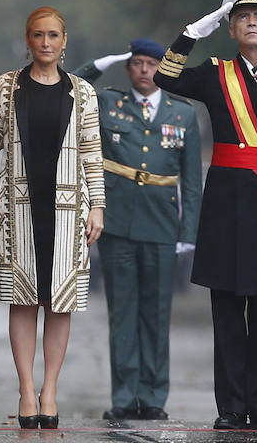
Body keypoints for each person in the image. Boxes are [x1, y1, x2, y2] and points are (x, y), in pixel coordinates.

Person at [153, 0, 257, 431]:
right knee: (226, 311)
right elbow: (164, 78)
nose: (251, 22)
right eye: (241, 16)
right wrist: (190, 34)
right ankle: (229, 407)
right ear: (229, 27)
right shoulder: (214, 73)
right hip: (225, 203)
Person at [0, 7, 105, 430]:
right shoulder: (6, 86)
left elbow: (92, 153)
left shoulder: (83, 92)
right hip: (19, 207)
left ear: (64, 41)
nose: (45, 42)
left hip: (68, 210)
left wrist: (98, 206)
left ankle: (50, 390)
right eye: (37, 35)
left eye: (52, 35)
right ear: (26, 40)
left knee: (59, 303)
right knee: (24, 300)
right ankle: (27, 390)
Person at [72, 39, 202, 421]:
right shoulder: (109, 103)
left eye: (152, 64)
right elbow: (71, 87)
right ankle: (125, 397)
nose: (145, 70)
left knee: (157, 314)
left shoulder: (184, 113)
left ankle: (154, 396)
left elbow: (191, 182)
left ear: (162, 70)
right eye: (137, 63)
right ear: (128, 69)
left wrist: (187, 233)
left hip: (163, 224)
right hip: (116, 223)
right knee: (122, 313)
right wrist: (100, 61)